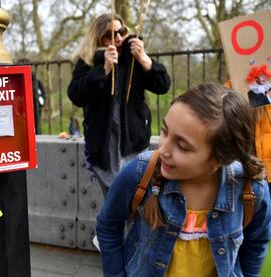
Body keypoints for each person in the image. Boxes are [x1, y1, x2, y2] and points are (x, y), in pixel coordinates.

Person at [96, 83, 271, 276]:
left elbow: (256, 242)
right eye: (164, 131)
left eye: (182, 146)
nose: (162, 149)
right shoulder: (141, 171)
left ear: (220, 158)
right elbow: (108, 224)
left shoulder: (251, 190)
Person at [67, 13, 171, 198]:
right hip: (103, 147)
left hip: (134, 143)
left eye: (121, 32)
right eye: (110, 35)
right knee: (113, 204)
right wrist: (104, 69)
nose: (118, 38)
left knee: (138, 203)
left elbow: (163, 85)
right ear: (98, 39)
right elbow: (76, 95)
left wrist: (145, 59)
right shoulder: (89, 61)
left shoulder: (134, 59)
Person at [16, 58, 46, 134]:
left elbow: (42, 93)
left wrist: (41, 103)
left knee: (35, 128)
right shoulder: (17, 81)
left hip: (35, 109)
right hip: (22, 111)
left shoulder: (36, 81)